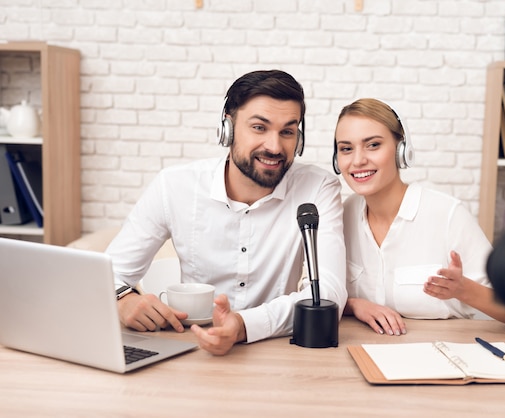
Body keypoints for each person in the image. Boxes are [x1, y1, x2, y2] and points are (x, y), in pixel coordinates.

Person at [107, 70, 347, 355]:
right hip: (188, 349)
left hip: (277, 353)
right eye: (259, 127)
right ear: (227, 129)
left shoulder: (318, 189)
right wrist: (123, 300)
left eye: (287, 131)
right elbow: (105, 273)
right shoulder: (173, 185)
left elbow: (327, 295)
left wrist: (243, 325)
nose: (274, 146)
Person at [332, 98, 505, 336]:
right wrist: (356, 305)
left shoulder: (448, 214)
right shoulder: (342, 215)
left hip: (442, 355)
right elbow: (320, 293)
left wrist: (463, 290)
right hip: (361, 352)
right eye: (346, 149)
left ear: (402, 150)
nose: (357, 160)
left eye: (373, 145)